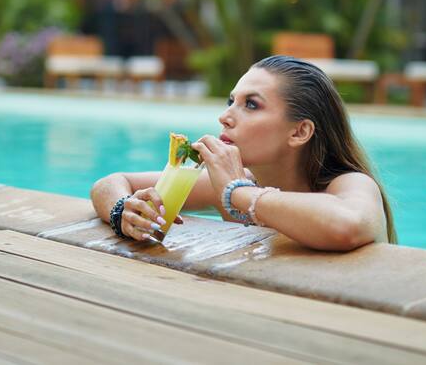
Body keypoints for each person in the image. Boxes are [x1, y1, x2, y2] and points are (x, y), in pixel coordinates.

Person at [90, 55, 396, 251]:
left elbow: (347, 226)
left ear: (299, 132)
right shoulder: (231, 183)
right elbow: (111, 182)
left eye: (251, 105)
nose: (225, 117)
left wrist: (238, 194)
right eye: (230, 101)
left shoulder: (349, 185)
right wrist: (124, 211)